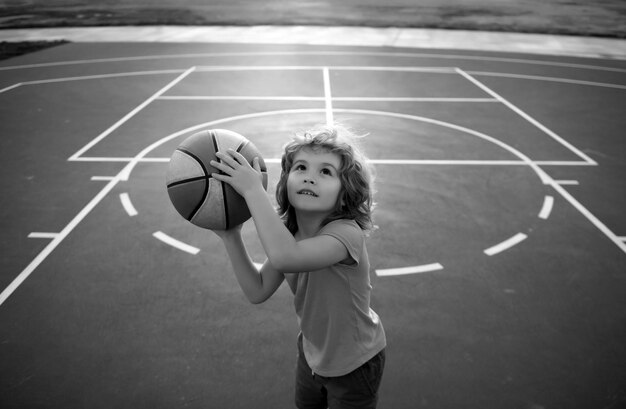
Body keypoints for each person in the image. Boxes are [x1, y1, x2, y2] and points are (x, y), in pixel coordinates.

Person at [210, 124, 386, 409]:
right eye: (301, 168)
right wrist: (231, 236)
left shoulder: (345, 234)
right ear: (287, 181)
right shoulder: (291, 235)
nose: (310, 178)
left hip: (355, 363)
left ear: (345, 194)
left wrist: (253, 190)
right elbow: (257, 289)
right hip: (312, 354)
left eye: (325, 171)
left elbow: (285, 257)